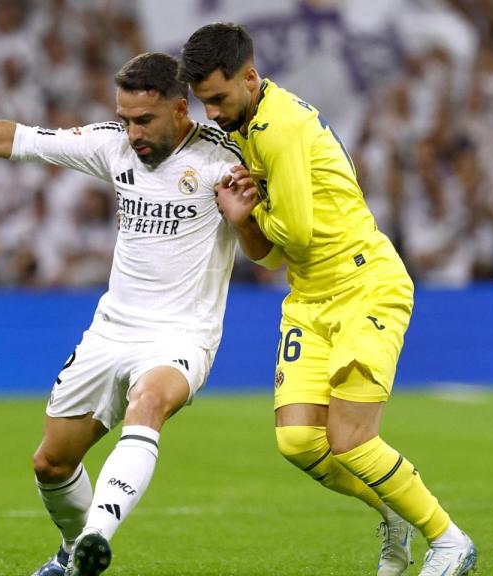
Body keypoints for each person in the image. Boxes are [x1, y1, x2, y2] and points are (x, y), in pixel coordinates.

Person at [0, 52, 243, 576]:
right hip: (112, 330)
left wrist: (246, 221)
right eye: (124, 118)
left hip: (182, 336)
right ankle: (74, 554)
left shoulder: (220, 161)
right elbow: (19, 139)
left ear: (181, 108)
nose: (132, 132)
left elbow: (259, 246)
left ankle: (97, 534)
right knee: (51, 464)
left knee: (150, 403)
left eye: (144, 120)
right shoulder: (113, 145)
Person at [179, 23, 477, 576]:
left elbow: (292, 233)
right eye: (204, 102)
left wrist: (255, 215)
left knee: (350, 439)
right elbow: (270, 255)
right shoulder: (245, 126)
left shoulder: (279, 128)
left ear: (250, 76)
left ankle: (448, 540)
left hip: (365, 285)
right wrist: (243, 222)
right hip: (311, 296)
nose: (213, 112)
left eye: (218, 98)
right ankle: (395, 512)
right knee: (298, 441)